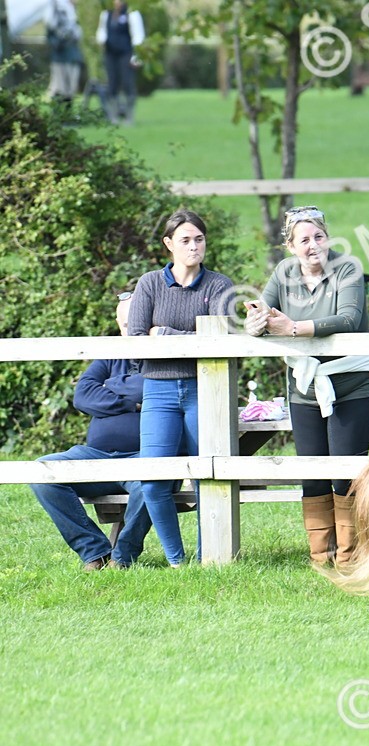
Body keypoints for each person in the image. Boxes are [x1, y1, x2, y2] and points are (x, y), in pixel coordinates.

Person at [245, 205, 369, 568]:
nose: (313, 246)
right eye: (304, 240)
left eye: (319, 237)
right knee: (312, 472)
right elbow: (264, 311)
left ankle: (350, 556)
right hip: (306, 387)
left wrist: (292, 328)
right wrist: (256, 321)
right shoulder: (283, 272)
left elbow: (348, 318)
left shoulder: (347, 268)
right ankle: (319, 557)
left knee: (345, 472)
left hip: (353, 383)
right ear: (290, 246)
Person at [128, 210, 235, 567]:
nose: (194, 246)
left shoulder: (219, 285)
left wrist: (168, 335)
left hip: (204, 390)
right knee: (154, 478)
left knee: (208, 476)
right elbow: (137, 338)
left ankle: (210, 558)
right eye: (186, 240)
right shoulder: (149, 284)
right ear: (169, 244)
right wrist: (191, 338)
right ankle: (176, 559)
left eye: (199, 239)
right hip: (157, 391)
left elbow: (220, 338)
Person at [31, 294, 151, 570]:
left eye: (136, 323)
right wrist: (131, 403)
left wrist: (111, 385)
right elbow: (82, 396)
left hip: (142, 458)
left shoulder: (164, 358)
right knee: (42, 472)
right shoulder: (109, 355)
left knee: (152, 485)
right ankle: (95, 551)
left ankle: (122, 557)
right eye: (124, 324)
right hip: (94, 455)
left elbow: (154, 391)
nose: (130, 330)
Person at [96, 0, 144, 125]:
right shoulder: (107, 14)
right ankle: (114, 116)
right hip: (110, 54)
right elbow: (102, 33)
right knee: (112, 84)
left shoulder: (131, 14)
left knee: (127, 83)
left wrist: (136, 56)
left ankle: (129, 116)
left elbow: (137, 36)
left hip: (125, 53)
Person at [44, 0, 83, 107]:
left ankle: (67, 115)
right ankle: (58, 116)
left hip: (72, 53)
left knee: (71, 87)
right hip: (60, 55)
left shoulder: (72, 12)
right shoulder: (56, 9)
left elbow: (76, 33)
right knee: (59, 87)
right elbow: (50, 30)